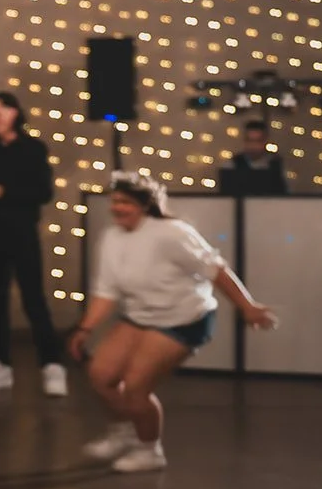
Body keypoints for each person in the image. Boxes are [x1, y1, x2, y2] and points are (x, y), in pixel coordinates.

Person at [72, 172, 277, 472]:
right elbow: (106, 291)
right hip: (140, 315)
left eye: (125, 202)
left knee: (136, 388)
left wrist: (248, 307)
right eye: (114, 201)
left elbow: (216, 270)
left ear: (144, 205)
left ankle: (149, 450)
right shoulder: (111, 237)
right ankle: (123, 433)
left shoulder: (172, 233)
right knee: (101, 376)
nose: (117, 208)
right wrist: (84, 329)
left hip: (183, 319)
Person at [0, 90, 68, 396]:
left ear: (14, 113)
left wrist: (5, 191)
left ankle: (52, 365)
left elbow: (43, 192)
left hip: (23, 234)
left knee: (33, 299)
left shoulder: (33, 148)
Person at [220, 119, 288, 196]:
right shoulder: (232, 165)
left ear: (265, 141)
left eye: (258, 141)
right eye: (249, 140)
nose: (253, 146)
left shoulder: (276, 165)